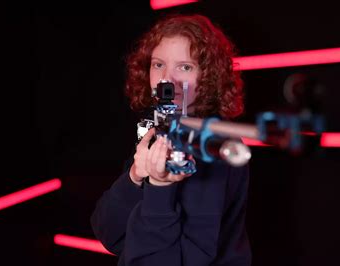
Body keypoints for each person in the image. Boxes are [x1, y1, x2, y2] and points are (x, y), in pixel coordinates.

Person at [90, 14, 251, 266]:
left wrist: (159, 188)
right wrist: (135, 176)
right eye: (158, 65)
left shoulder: (213, 145)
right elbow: (109, 233)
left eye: (184, 67)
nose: (168, 80)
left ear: (208, 77)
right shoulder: (157, 128)